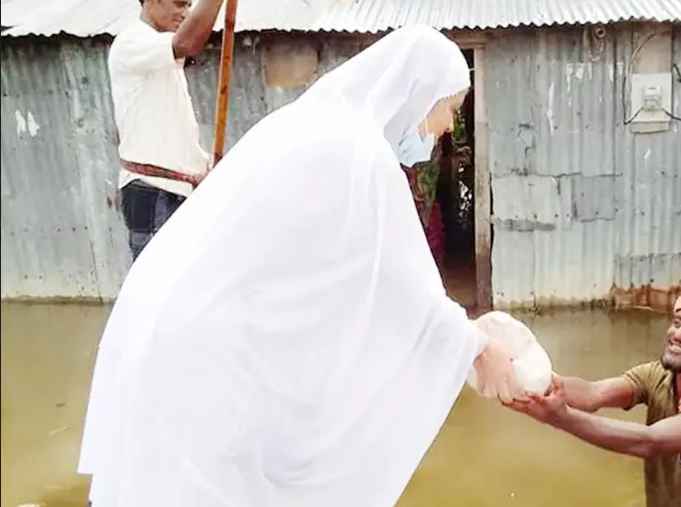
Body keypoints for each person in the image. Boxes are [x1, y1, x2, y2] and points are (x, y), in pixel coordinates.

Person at [76, 25, 523, 507]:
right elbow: (397, 283)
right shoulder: (358, 151)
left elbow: (337, 282)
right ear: (418, 93)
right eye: (449, 111)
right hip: (208, 348)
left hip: (181, 327)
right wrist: (476, 345)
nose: (445, 130)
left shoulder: (314, 124)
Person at [507, 286, 681, 507]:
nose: (678, 334)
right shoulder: (657, 375)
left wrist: (561, 418)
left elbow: (648, 442)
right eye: (678, 322)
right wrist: (523, 377)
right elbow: (593, 394)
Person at [110, 0, 250, 261]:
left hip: (179, 189)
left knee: (188, 283)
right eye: (178, 4)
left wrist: (204, 164)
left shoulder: (161, 55)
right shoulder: (133, 43)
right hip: (152, 189)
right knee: (157, 288)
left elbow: (169, 127)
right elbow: (188, 41)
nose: (185, 13)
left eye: (188, 5)